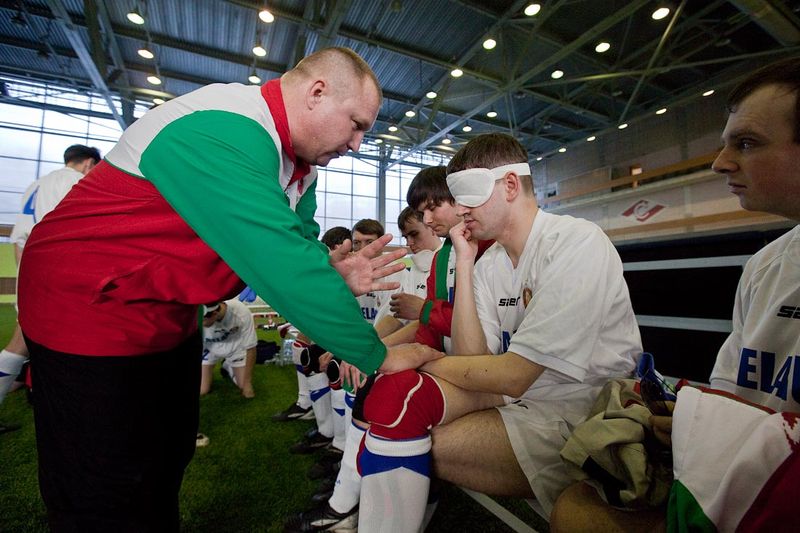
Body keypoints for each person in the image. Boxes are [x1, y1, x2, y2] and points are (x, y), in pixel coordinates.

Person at [17, 47, 439, 531]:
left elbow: (299, 249)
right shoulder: (228, 125)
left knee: (164, 456)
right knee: (104, 484)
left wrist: (331, 273)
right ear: (317, 93)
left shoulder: (301, 168)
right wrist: (379, 357)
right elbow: (280, 261)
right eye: (357, 125)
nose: (360, 144)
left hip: (164, 309)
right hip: (88, 307)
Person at [550, 56, 800, 533]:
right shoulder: (767, 264)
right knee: (577, 507)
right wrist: (684, 415)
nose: (720, 162)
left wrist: (711, 429)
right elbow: (729, 392)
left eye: (746, 143)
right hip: (738, 477)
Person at [356, 133, 642, 532]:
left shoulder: (575, 243)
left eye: (467, 194)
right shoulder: (488, 263)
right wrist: (467, 261)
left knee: (402, 436)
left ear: (510, 185)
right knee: (393, 400)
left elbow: (513, 375)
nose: (458, 208)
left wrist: (424, 357)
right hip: (519, 403)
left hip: (582, 414)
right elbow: (473, 358)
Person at [0, 144, 101, 428]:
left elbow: (18, 240)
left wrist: (26, 278)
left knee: (22, 344)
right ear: (89, 163)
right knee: (74, 344)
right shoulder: (77, 181)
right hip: (59, 272)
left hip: (30, 271)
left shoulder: (35, 185)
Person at [273, 226, 352, 422]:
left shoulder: (350, 271)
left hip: (352, 338)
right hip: (336, 331)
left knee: (320, 355)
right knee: (303, 344)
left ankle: (333, 430)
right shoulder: (330, 271)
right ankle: (306, 402)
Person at [200, 300, 258, 398]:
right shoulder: (196, 314)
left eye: (203, 320)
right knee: (203, 390)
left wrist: (247, 383)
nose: (200, 323)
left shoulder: (240, 312)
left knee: (244, 388)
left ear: (215, 313)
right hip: (208, 348)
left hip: (235, 348)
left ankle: (228, 366)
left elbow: (251, 347)